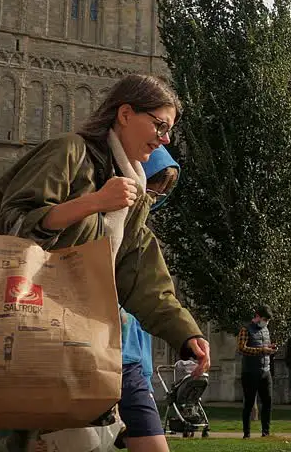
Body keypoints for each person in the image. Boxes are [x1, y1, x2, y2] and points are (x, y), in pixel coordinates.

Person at [0, 74, 209, 452]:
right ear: (125, 114)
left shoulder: (135, 192)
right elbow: (11, 227)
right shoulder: (68, 152)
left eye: (169, 131)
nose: (165, 140)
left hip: (107, 346)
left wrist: (186, 334)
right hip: (46, 340)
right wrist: (92, 202)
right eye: (160, 125)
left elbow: (143, 279)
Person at [113, 146, 181, 451]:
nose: (157, 198)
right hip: (97, 355)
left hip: (132, 363)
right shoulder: (107, 224)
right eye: (154, 189)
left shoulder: (140, 231)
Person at [238, 305, 277, 438]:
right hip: (250, 371)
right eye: (264, 319)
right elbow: (242, 348)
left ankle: (265, 432)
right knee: (249, 403)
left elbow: (265, 345)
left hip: (265, 370)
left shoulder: (265, 330)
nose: (266, 322)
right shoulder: (246, 329)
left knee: (267, 402)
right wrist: (261, 350)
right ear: (257, 316)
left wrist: (270, 348)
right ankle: (247, 433)